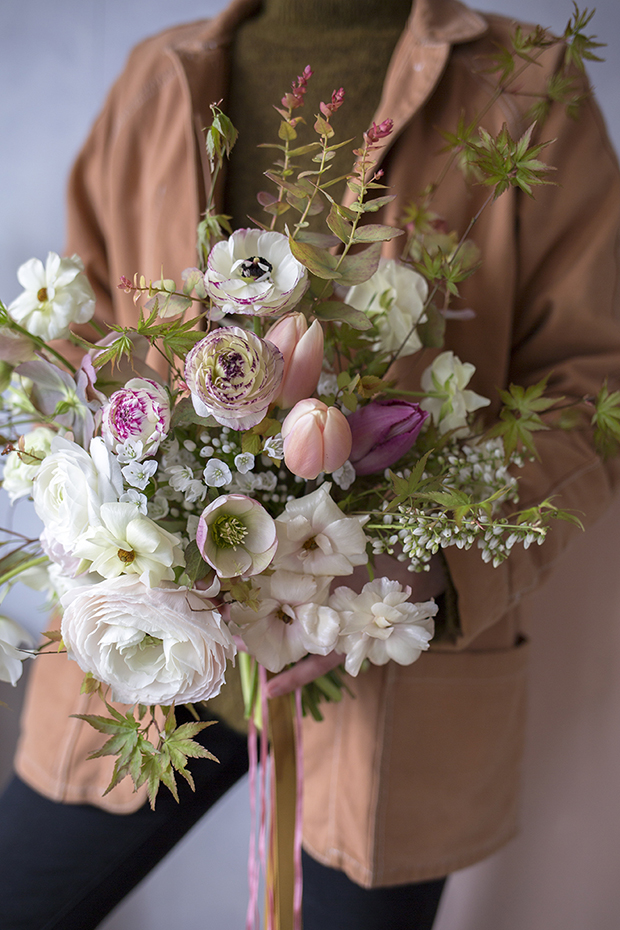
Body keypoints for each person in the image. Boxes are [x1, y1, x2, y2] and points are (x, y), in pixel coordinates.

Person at [1, 0, 620, 927]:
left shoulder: (527, 83)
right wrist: (89, 502)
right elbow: (81, 346)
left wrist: (432, 563)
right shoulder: (159, 73)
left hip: (388, 662)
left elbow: (593, 386)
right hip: (146, 648)